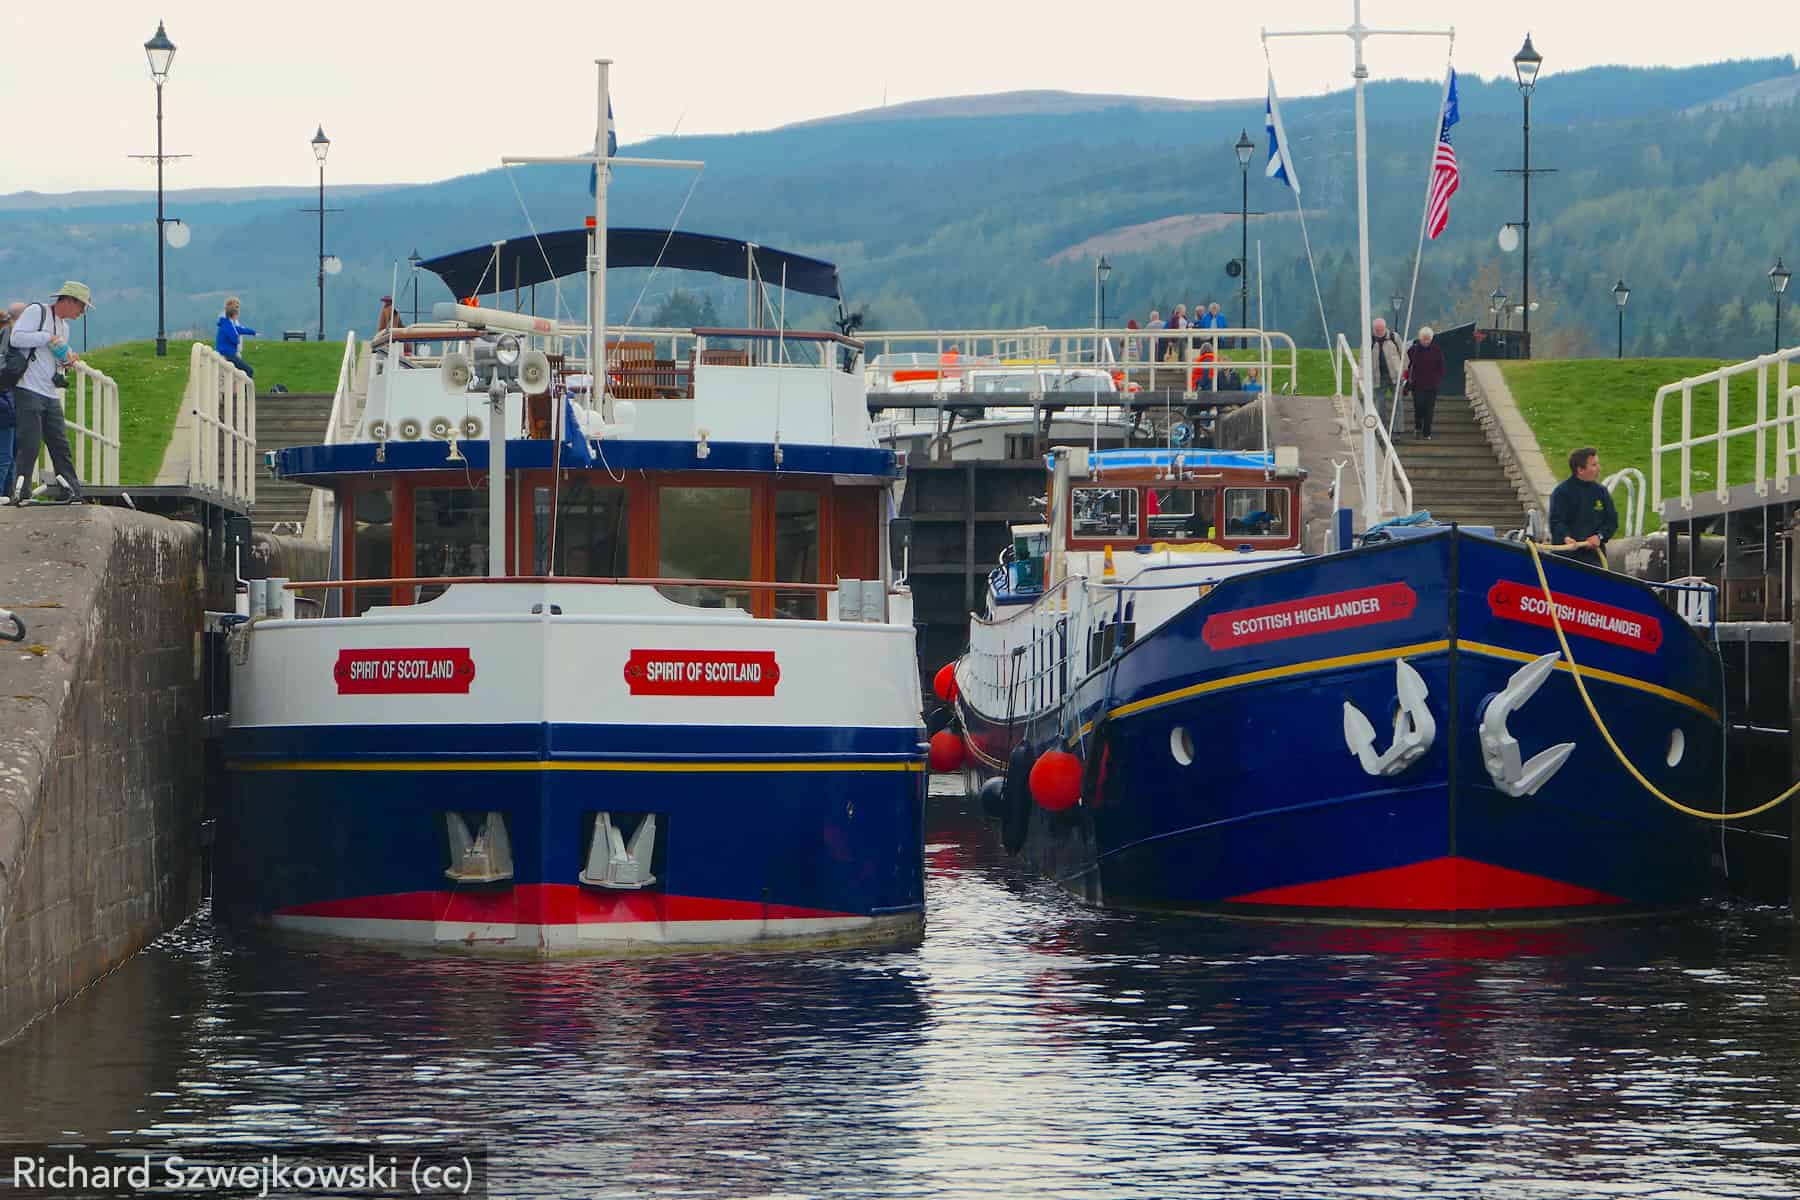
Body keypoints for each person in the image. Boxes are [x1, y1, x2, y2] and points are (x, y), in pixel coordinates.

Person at [7, 282, 92, 503]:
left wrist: (67, 360)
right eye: (81, 307)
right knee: (30, 443)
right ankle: (21, 493)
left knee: (60, 443)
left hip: (49, 391)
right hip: (28, 387)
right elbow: (16, 338)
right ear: (69, 300)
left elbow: (54, 356)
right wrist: (45, 337)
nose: (82, 312)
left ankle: (72, 492)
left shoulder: (64, 327)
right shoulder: (37, 311)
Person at [1548, 447, 1618, 568]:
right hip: (1565, 558)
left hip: (1594, 559)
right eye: (1594, 465)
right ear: (1580, 470)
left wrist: (1599, 536)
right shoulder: (1561, 492)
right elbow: (1555, 521)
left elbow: (1612, 522)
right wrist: (1566, 537)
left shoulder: (1601, 492)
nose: (1599, 468)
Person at [1404, 325, 1447, 439]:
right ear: (1420, 338)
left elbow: (1441, 368)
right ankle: (1418, 427)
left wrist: (1437, 379)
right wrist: (1406, 380)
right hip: (1417, 385)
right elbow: (1406, 366)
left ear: (1431, 339)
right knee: (1419, 406)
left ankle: (1427, 432)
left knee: (1429, 409)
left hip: (1432, 386)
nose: (1426, 341)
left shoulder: (1437, 350)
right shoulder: (1413, 350)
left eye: (1428, 339)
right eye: (1424, 338)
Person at [214, 297, 257, 377]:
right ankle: (244, 389)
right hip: (228, 353)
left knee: (240, 374)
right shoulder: (228, 323)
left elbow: (239, 329)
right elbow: (234, 336)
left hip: (230, 352)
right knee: (248, 371)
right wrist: (237, 340)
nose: (238, 310)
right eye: (236, 307)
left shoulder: (228, 322)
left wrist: (252, 332)